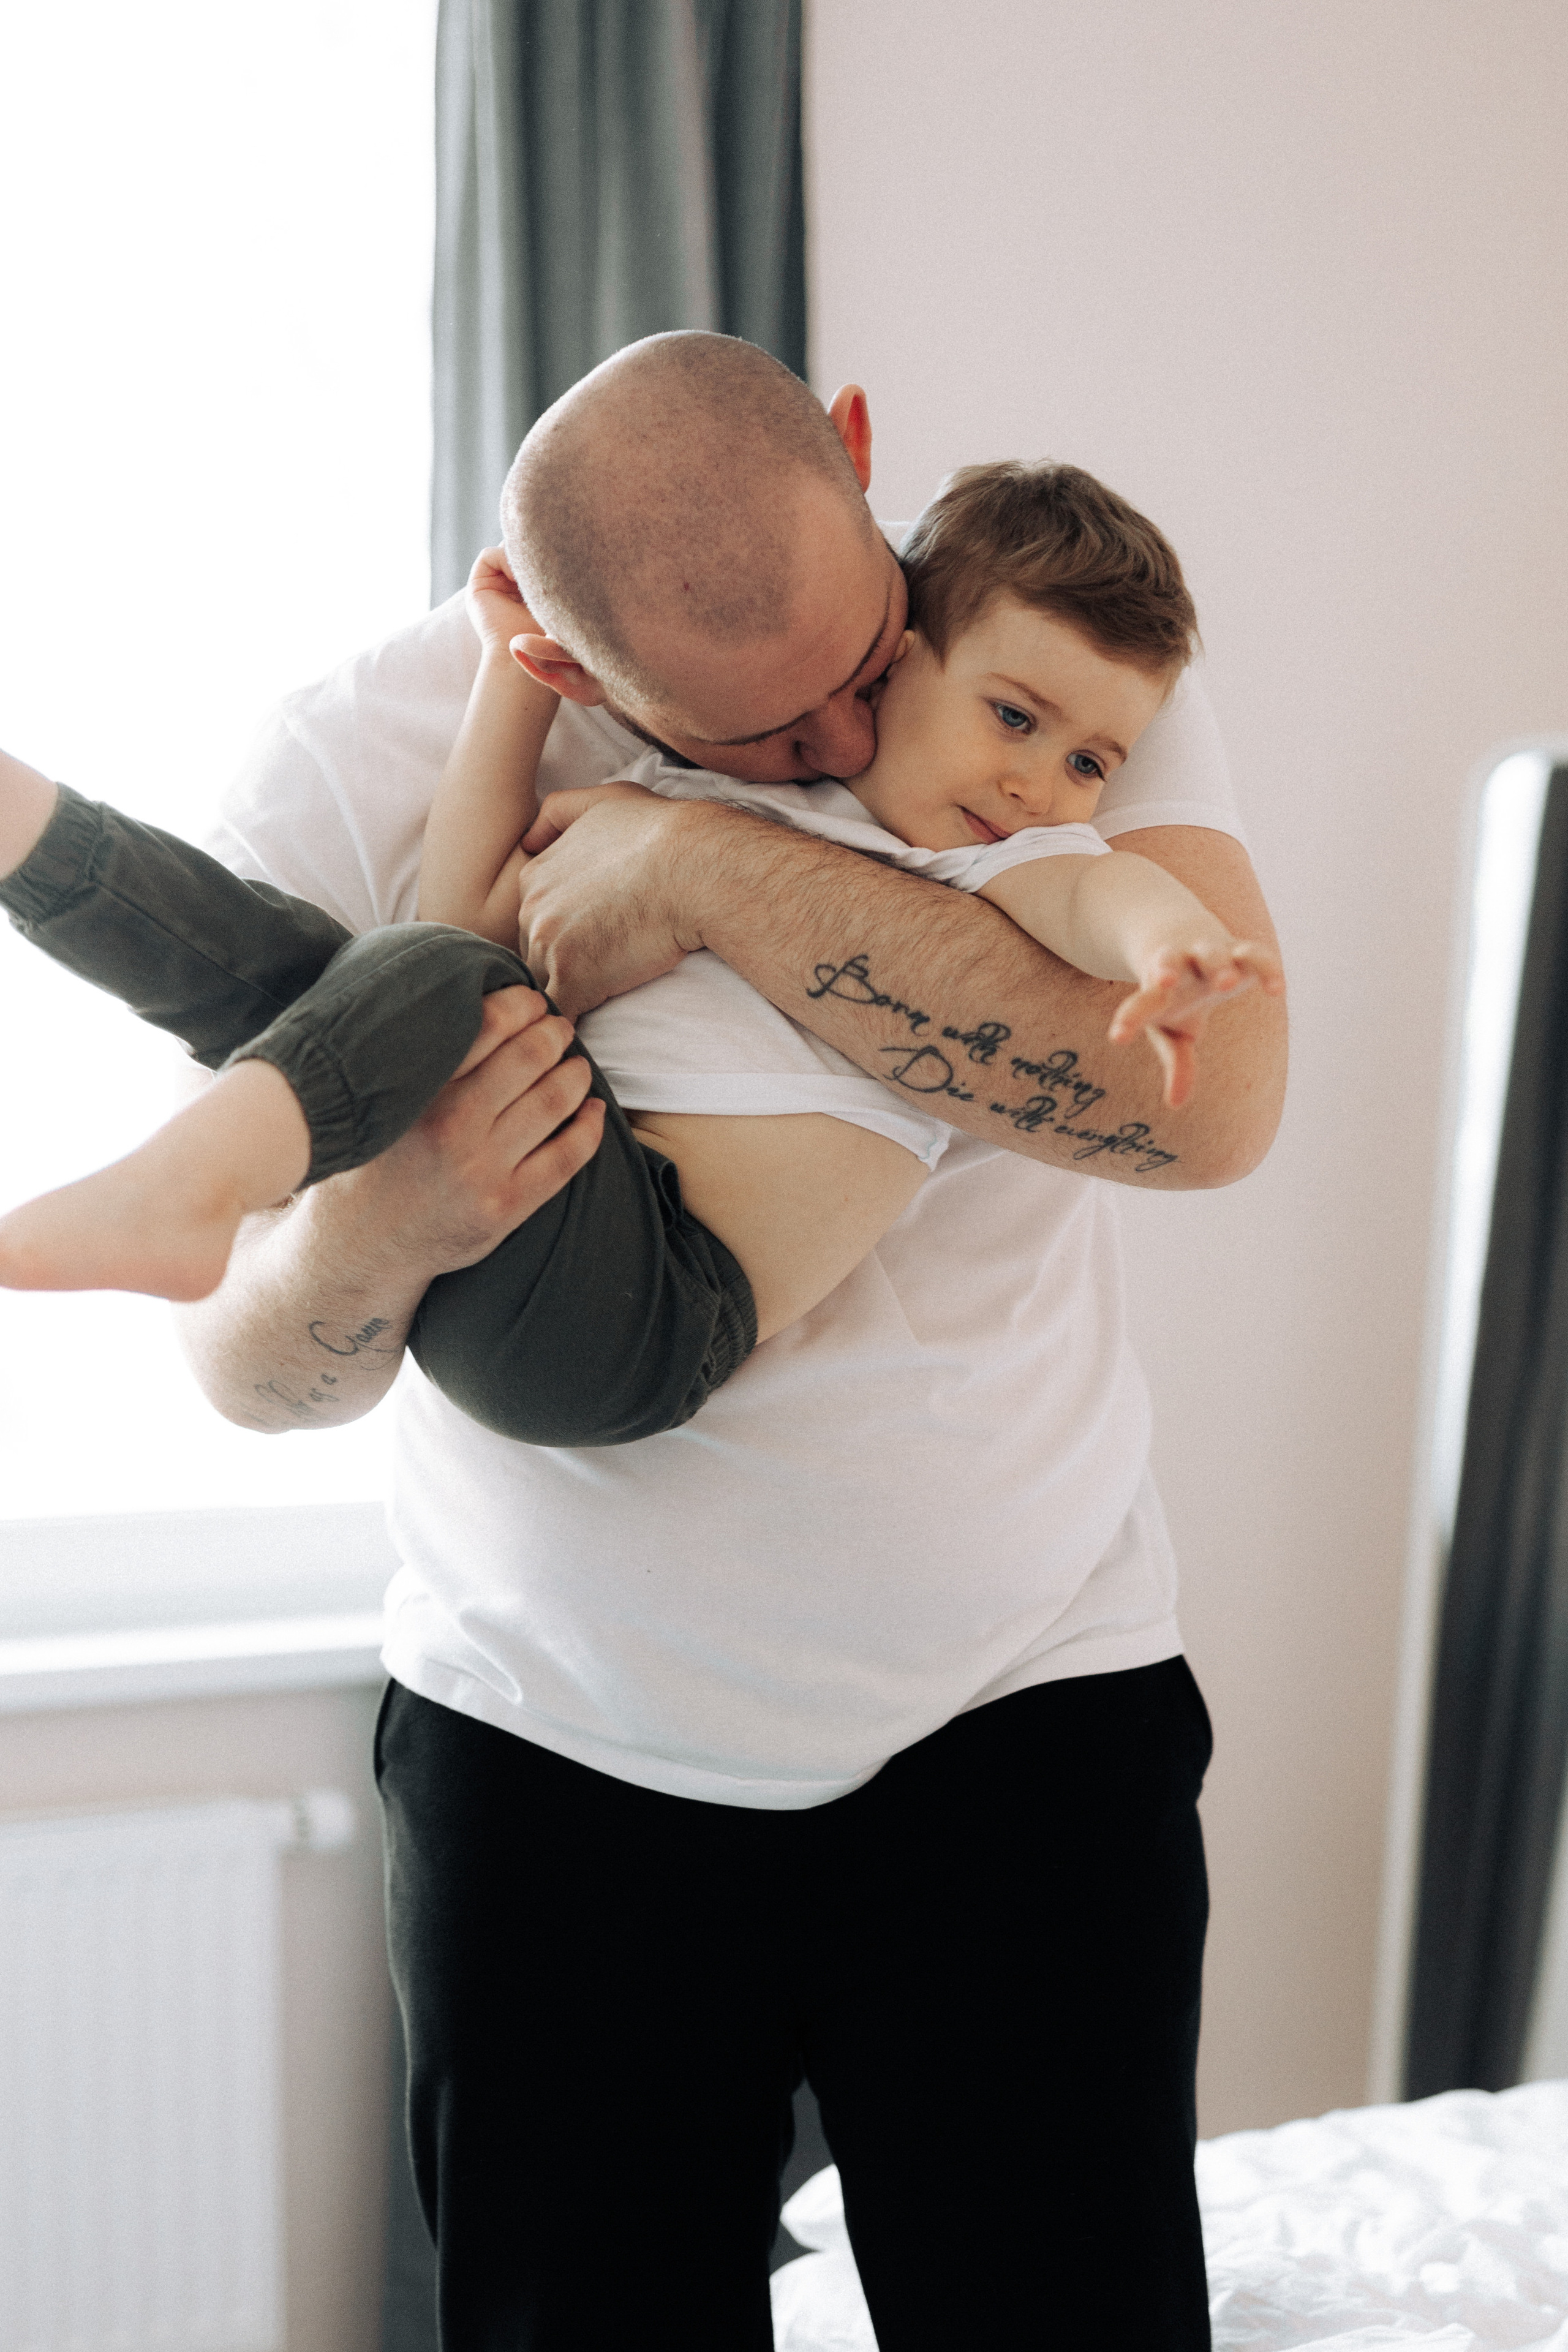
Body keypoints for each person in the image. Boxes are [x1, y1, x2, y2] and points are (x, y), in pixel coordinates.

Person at [170, 333, 1285, 2350]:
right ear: (557, 656)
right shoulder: (340, 770)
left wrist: (709, 863)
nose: (858, 724)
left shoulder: (1028, 637)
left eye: (870, 662)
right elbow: (248, 1369)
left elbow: (1208, 1109)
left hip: (1022, 1716)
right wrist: (386, 1228)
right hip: (557, 1750)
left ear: (857, 455)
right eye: (759, 739)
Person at [0, 462, 1280, 1440]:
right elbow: (453, 929)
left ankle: (193, 1186)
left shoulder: (1001, 858)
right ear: (902, 663)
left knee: (433, 981)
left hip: (644, 1316)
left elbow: (1108, 903)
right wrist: (517, 680)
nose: (1038, 780)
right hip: (532, 1224)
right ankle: (40, 843)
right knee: (323, 972)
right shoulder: (710, 772)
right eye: (1011, 719)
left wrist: (1179, 956)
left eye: (1088, 763)